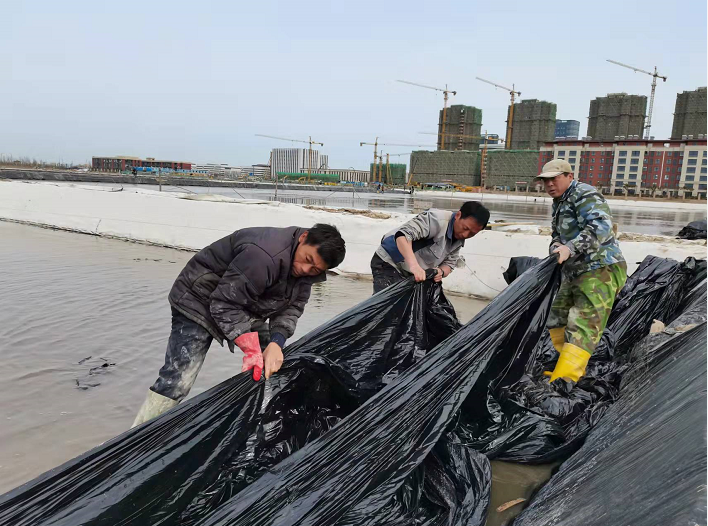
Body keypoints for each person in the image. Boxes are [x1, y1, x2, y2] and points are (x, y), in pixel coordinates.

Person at [132, 223, 346, 427]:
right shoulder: (263, 255)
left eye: (314, 269)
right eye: (307, 259)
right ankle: (136, 438)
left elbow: (292, 307)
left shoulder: (307, 271)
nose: (304, 269)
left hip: (242, 304)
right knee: (178, 380)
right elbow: (224, 304)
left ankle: (261, 421)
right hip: (198, 299)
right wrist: (250, 347)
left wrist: (277, 342)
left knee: (273, 362)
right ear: (304, 237)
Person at [537, 159, 626, 383]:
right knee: (557, 317)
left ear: (569, 176)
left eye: (554, 179)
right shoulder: (559, 202)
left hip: (600, 268)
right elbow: (557, 234)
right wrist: (556, 246)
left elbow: (601, 227)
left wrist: (570, 248)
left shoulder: (584, 194)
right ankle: (563, 365)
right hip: (576, 271)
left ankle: (566, 379)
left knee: (584, 324)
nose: (549, 184)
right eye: (545, 181)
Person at [370, 201, 490, 294]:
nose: (465, 235)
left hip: (410, 273)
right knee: (386, 307)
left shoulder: (458, 239)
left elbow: (450, 263)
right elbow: (402, 236)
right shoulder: (436, 220)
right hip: (389, 262)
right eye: (465, 228)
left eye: (472, 233)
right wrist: (414, 266)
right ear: (458, 215)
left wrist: (440, 272)